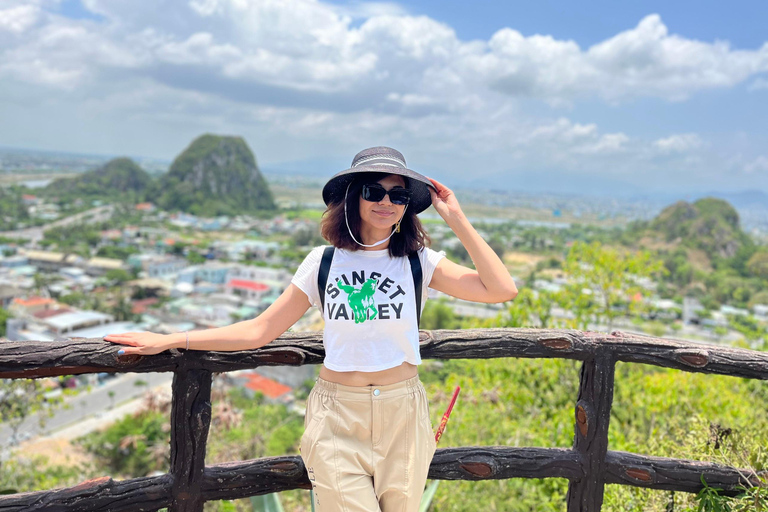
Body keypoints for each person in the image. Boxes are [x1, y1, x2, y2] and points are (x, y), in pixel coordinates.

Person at [104, 146, 517, 511]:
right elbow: (260, 330)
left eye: (400, 195)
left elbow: (501, 289)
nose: (387, 202)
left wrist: (456, 218)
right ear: (354, 197)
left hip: (403, 412)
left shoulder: (418, 261)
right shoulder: (322, 262)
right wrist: (170, 340)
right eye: (375, 191)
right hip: (337, 414)